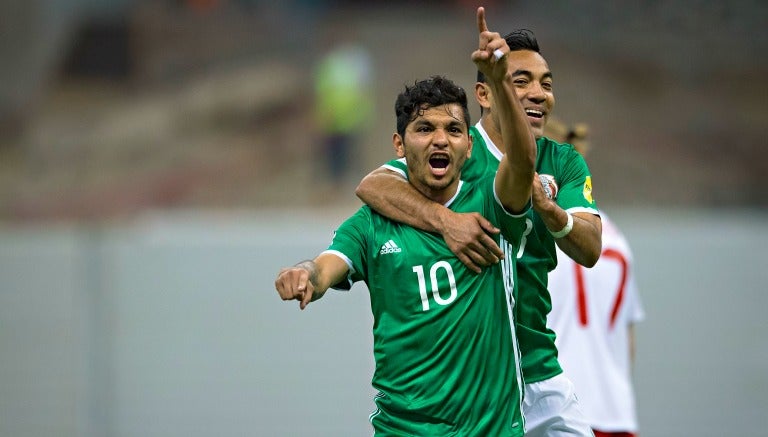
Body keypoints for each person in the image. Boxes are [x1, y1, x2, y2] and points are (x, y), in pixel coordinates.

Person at [275, 8, 535, 435]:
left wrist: (501, 79)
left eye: (453, 129)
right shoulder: (372, 223)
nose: (439, 138)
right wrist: (302, 275)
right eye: (423, 128)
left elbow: (523, 161)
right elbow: (324, 268)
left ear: (469, 146)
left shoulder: (490, 201)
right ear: (399, 143)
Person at [355, 29, 602, 436]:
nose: (539, 93)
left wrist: (548, 209)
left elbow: (591, 248)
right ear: (486, 95)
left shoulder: (563, 161)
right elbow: (373, 185)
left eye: (547, 84)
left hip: (537, 370)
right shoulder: (456, 147)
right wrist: (446, 221)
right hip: (473, 383)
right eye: (519, 81)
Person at [546, 119, 645, 437]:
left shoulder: (534, 236)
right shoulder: (616, 241)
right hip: (616, 414)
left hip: (553, 413)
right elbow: (627, 341)